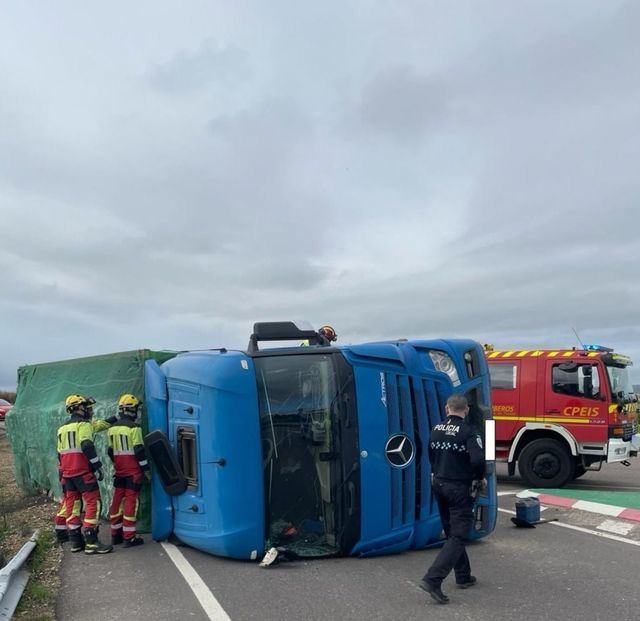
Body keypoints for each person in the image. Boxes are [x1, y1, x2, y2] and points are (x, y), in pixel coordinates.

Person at [420, 394, 486, 604]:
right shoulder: (468, 432)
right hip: (459, 487)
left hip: (438, 484)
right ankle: (433, 579)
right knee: (459, 535)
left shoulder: (436, 429)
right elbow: (477, 460)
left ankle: (463, 576)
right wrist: (480, 477)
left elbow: (430, 454)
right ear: (466, 410)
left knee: (451, 532)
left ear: (447, 408)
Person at [55, 394, 116, 554]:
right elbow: (87, 445)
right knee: (93, 503)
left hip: (67, 474)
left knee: (73, 505)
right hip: (82, 472)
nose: (90, 410)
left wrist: (115, 418)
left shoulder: (62, 428)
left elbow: (59, 454)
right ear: (79, 408)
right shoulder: (84, 425)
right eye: (88, 407)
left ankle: (75, 541)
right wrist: (97, 465)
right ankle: (91, 542)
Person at [107, 394, 150, 547]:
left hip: (119, 471)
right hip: (133, 472)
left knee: (117, 502)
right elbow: (139, 450)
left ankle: (115, 535)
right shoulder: (134, 428)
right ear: (133, 410)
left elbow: (110, 451)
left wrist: (116, 464)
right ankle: (129, 537)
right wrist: (146, 469)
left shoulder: (112, 429)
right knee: (131, 502)